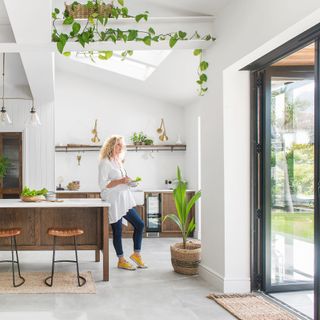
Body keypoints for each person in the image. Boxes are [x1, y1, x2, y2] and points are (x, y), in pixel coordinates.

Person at [98, 135, 147, 270]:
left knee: (140, 224)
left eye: (122, 145)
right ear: (111, 146)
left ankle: (136, 254)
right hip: (113, 200)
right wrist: (121, 181)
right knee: (117, 230)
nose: (121, 147)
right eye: (118, 145)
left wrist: (129, 181)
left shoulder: (119, 161)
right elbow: (103, 184)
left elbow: (121, 179)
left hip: (124, 199)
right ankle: (121, 260)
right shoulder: (105, 162)